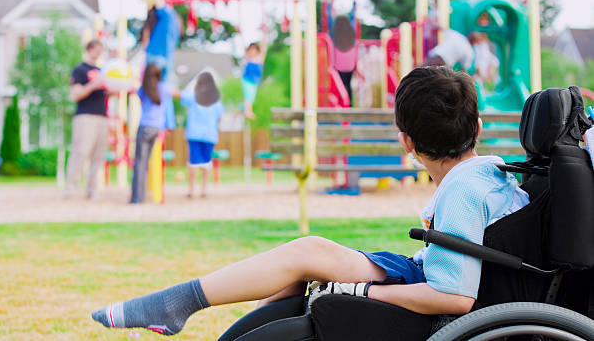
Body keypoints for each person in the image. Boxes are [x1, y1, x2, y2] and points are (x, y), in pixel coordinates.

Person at [91, 66, 529, 336]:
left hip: (430, 297)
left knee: (308, 253)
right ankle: (196, 314)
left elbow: (454, 298)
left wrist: (366, 294)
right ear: (479, 125)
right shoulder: (489, 171)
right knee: (306, 258)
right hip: (421, 273)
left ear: (406, 141)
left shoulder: (463, 191)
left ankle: (178, 304)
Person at [63, 39, 107, 200]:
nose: (99, 53)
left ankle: (93, 190)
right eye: (97, 49)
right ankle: (71, 188)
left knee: (98, 155)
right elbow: (75, 94)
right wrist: (93, 85)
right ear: (89, 49)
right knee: (80, 152)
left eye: (101, 50)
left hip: (102, 117)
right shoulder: (79, 70)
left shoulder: (103, 71)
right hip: (85, 116)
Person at [129, 63, 172, 204]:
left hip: (145, 126)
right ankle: (156, 195)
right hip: (158, 128)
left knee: (140, 163)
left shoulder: (143, 89)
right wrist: (169, 126)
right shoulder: (164, 88)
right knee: (153, 162)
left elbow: (137, 97)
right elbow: (169, 107)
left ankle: (137, 198)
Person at [180, 72, 224, 198]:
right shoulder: (216, 101)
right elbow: (220, 117)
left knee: (193, 162)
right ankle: (204, 189)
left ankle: (192, 190)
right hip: (210, 135)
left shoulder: (194, 96)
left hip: (194, 134)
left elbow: (181, 95)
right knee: (206, 162)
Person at [331, 15, 358, 104]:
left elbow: (330, 19)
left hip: (339, 65)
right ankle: (349, 104)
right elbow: (353, 18)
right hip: (350, 66)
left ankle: (342, 103)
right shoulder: (351, 34)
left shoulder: (335, 35)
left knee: (340, 86)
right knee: (348, 85)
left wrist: (328, 5)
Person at [242, 30, 268, 120]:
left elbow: (264, 47)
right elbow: (242, 44)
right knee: (248, 96)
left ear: (257, 50)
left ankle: (239, 112)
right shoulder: (247, 58)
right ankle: (247, 112)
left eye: (254, 49)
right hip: (247, 80)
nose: (252, 51)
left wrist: (264, 34)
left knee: (251, 99)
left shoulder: (260, 58)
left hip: (255, 82)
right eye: (250, 49)